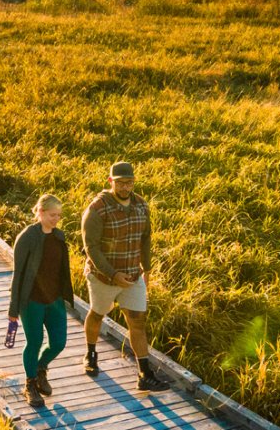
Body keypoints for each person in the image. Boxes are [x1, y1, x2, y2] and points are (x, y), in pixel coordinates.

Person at [80, 161, 170, 392]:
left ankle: (145, 374)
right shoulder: (97, 208)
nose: (125, 187)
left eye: (129, 182)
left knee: (137, 321)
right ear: (111, 182)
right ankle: (90, 353)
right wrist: (112, 273)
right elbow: (91, 247)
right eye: (120, 182)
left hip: (133, 276)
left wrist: (147, 270)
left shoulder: (141, 205)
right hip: (103, 278)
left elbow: (146, 238)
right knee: (97, 315)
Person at [8, 194, 75, 407]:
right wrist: (13, 309)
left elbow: (62, 270)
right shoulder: (27, 237)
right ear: (41, 212)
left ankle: (40, 368)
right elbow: (18, 274)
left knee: (59, 342)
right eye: (53, 215)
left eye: (59, 215)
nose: (56, 219)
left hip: (54, 300)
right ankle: (30, 384)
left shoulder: (59, 236)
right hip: (32, 301)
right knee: (34, 342)